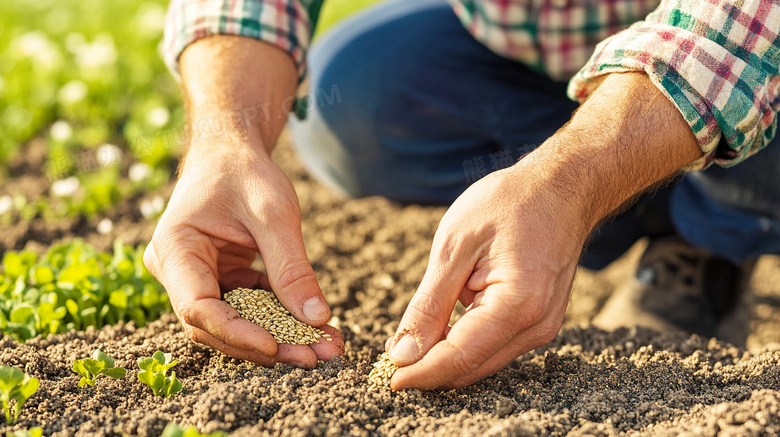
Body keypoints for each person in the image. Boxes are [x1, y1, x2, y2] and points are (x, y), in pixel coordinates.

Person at [144, 0, 780, 390]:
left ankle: (715, 230)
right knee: (359, 99)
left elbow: (746, 31)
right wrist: (224, 138)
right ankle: (618, 200)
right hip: (539, 57)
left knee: (756, 141)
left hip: (743, 53)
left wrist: (567, 180)